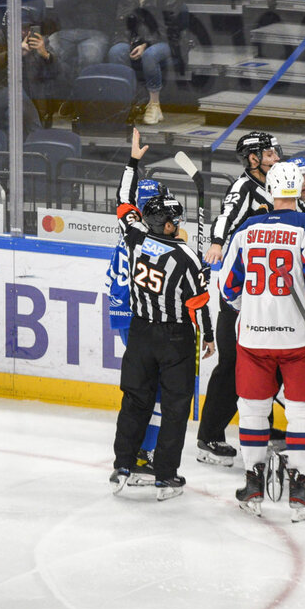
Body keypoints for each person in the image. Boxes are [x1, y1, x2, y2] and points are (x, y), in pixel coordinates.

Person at [220, 161, 305, 521]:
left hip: (253, 337)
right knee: (303, 411)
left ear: (271, 190)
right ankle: (300, 490)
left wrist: (255, 309)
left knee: (253, 409)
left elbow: (227, 286)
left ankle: (253, 483)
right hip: (297, 340)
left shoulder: (246, 228)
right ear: (297, 188)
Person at [110, 129, 215, 499]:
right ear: (162, 223)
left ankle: (122, 465)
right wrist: (210, 337)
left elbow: (123, 200)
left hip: (140, 335)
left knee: (134, 401)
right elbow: (198, 303)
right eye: (173, 220)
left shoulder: (134, 237)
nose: (178, 224)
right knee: (174, 409)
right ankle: (165, 475)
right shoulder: (185, 257)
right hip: (174, 340)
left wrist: (132, 162)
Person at [197, 131, 282, 466]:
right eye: (270, 153)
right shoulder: (243, 187)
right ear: (253, 158)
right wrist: (217, 242)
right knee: (232, 364)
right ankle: (210, 437)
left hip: (264, 295)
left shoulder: (276, 186)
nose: (276, 156)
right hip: (237, 292)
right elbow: (226, 216)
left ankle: (263, 427)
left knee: (269, 359)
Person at [106, 178, 168, 476]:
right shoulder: (149, 239)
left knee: (140, 388)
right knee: (151, 390)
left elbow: (122, 198)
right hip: (140, 318)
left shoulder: (130, 229)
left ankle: (133, 452)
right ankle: (142, 452)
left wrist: (131, 161)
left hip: (122, 315)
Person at [107, 0, 183, 125]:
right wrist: (131, 41)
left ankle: (154, 105)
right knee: (116, 51)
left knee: (150, 55)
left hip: (166, 41)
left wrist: (146, 44)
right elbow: (122, 20)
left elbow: (170, 27)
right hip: (135, 39)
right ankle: (126, 101)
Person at [0, 11, 53, 131]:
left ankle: (26, 140)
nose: (24, 32)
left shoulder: (39, 41)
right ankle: (37, 133)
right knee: (15, 93)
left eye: (27, 28)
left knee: (12, 114)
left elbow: (60, 72)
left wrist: (46, 55)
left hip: (31, 96)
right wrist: (14, 52)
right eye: (20, 28)